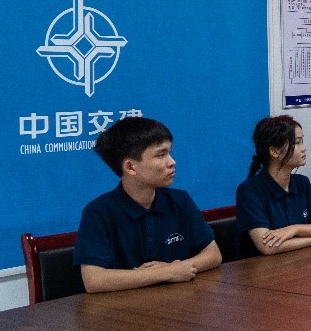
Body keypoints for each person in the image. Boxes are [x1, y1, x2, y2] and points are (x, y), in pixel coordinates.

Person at [74, 116, 221, 293]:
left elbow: (213, 254)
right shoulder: (98, 212)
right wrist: (166, 273)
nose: (172, 162)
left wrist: (179, 268)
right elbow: (94, 280)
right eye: (161, 155)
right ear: (130, 167)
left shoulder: (180, 200)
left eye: (169, 152)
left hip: (177, 301)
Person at [235, 116, 311, 256]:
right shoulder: (249, 191)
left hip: (299, 262)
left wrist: (294, 229)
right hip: (264, 267)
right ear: (274, 151)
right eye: (297, 143)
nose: (304, 148)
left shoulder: (302, 183)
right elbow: (267, 246)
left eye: (302, 141)